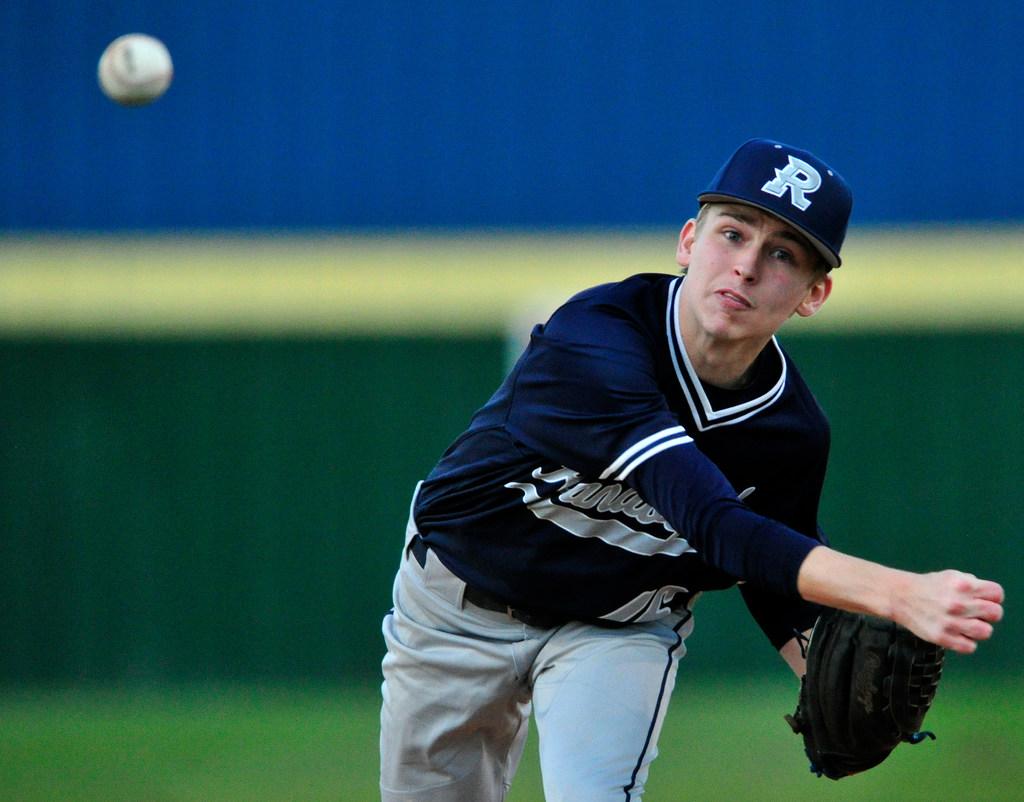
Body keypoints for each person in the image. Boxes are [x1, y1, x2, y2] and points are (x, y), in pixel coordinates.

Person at [378, 139, 1004, 801]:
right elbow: (715, 522)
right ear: (687, 241)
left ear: (814, 294)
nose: (746, 267)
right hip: (458, 606)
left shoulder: (790, 431)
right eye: (732, 235)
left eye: (782, 254)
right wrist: (897, 593)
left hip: (617, 627)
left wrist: (812, 663)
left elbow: (768, 571)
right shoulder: (593, 340)